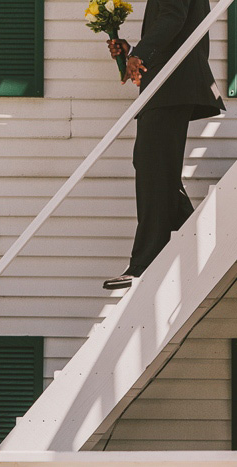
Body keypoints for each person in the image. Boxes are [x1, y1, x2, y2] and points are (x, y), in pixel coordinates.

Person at [102, 0, 225, 290]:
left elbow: (172, 17)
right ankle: (200, 241)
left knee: (152, 168)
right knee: (158, 170)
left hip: (172, 85)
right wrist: (131, 52)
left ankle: (144, 264)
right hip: (168, 86)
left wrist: (140, 54)